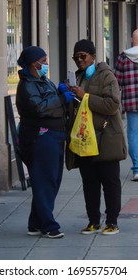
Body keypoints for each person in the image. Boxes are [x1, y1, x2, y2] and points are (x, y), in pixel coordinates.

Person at [59, 39, 127, 235]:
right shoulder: (76, 77)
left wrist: (84, 95)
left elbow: (112, 105)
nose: (79, 60)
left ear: (92, 56)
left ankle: (112, 222)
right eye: (76, 57)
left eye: (83, 56)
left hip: (106, 138)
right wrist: (66, 96)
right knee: (89, 183)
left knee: (110, 183)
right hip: (84, 139)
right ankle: (93, 221)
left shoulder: (107, 76)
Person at [16, 46, 74, 239]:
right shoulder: (26, 85)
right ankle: (49, 225)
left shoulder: (42, 80)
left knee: (51, 180)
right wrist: (60, 98)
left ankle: (35, 223)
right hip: (40, 137)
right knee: (45, 181)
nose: (46, 64)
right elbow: (39, 108)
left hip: (55, 135)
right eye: (44, 60)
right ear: (35, 63)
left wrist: (60, 91)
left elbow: (51, 101)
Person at [114, 29, 138, 181]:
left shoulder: (123, 57)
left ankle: (137, 168)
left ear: (132, 40)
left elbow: (116, 82)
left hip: (131, 102)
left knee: (133, 134)